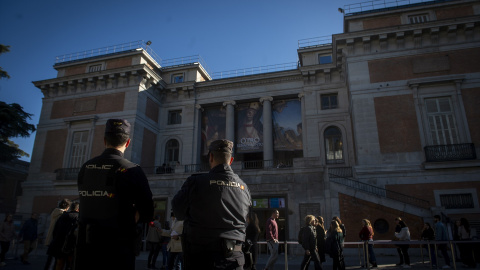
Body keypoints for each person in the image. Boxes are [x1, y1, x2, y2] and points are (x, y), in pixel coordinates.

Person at [75, 119, 154, 270]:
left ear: (105, 140)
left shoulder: (86, 166)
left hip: (86, 246)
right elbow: (147, 210)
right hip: (118, 246)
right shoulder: (133, 170)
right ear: (128, 142)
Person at [172, 139, 251, 269]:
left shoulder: (195, 182)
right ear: (231, 161)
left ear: (211, 157)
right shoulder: (244, 187)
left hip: (201, 258)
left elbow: (178, 211)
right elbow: (247, 218)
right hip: (235, 259)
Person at [47, 202, 79, 270]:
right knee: (71, 264)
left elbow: (55, 230)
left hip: (59, 243)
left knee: (59, 263)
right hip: (70, 245)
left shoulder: (62, 216)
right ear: (78, 209)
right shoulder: (78, 217)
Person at [44, 198, 71, 270]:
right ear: (67, 207)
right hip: (55, 238)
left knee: (51, 260)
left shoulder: (55, 212)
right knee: (53, 261)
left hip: (51, 238)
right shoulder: (62, 214)